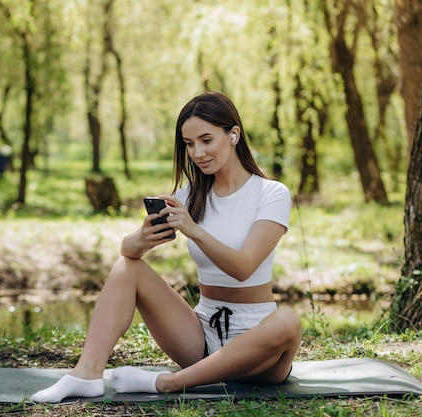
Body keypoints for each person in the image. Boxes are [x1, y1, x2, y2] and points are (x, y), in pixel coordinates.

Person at [30, 91, 302, 403]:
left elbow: (244, 267)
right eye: (189, 144)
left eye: (206, 140)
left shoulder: (271, 194)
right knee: (127, 266)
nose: (197, 152)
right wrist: (139, 240)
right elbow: (126, 252)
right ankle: (86, 374)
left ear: (233, 135)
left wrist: (194, 230)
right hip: (200, 337)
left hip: (260, 349)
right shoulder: (191, 196)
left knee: (288, 321)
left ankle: (169, 383)